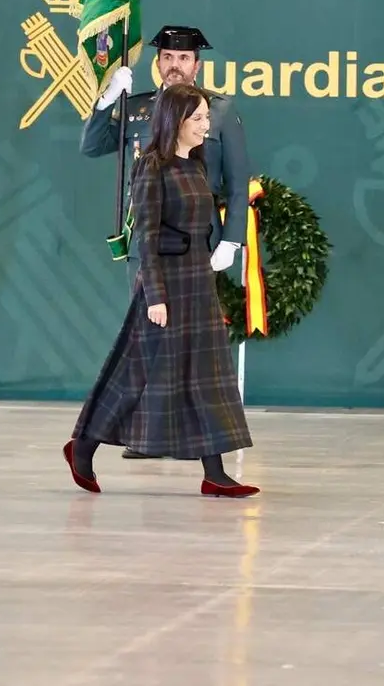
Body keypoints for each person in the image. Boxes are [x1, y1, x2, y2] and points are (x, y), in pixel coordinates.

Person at [63, 83, 259, 498]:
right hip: (165, 281)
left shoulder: (198, 164)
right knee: (135, 373)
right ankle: (82, 448)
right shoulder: (151, 166)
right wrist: (155, 296)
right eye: (199, 119)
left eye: (207, 117)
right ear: (177, 122)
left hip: (197, 278)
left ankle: (216, 473)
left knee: (207, 374)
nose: (208, 126)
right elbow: (147, 237)